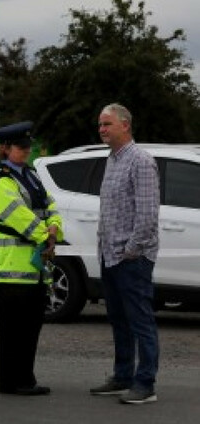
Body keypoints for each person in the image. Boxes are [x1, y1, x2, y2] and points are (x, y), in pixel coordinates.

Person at [90, 103, 160, 404]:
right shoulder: (113, 159)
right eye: (100, 124)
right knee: (119, 320)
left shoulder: (140, 161)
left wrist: (131, 250)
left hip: (132, 259)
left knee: (140, 322)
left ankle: (145, 384)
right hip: (109, 256)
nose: (102, 129)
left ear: (125, 125)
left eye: (107, 124)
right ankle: (122, 377)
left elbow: (147, 215)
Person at [0, 121, 63, 396]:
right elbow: (19, 216)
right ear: (5, 149)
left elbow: (51, 205)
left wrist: (54, 228)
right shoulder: (1, 180)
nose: (27, 150)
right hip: (12, 269)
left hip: (35, 267)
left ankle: (25, 379)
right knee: (13, 330)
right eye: (21, 147)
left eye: (28, 146)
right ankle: (11, 382)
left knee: (30, 328)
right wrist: (46, 235)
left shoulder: (31, 175)